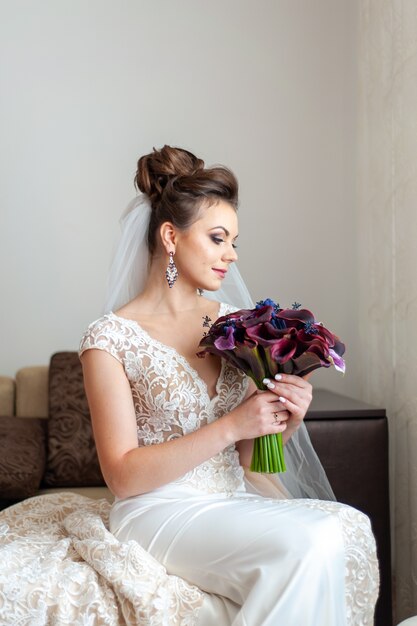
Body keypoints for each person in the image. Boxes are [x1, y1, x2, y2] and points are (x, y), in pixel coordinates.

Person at [77, 144, 380, 626]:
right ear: (171, 236)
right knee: (312, 541)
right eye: (218, 239)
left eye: (234, 241)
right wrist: (232, 425)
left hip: (233, 499)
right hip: (157, 511)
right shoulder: (109, 339)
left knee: (348, 525)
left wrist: (285, 417)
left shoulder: (236, 328)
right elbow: (122, 476)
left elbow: (248, 459)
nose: (232, 256)